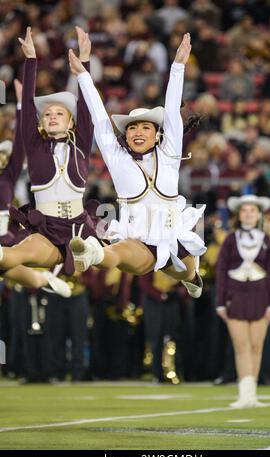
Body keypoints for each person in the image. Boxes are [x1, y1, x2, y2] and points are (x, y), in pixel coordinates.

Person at [67, 33, 206, 298]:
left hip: (173, 237)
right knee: (117, 254)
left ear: (157, 134)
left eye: (145, 127)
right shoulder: (117, 158)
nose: (138, 132)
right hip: (138, 238)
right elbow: (99, 118)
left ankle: (192, 278)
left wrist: (177, 67)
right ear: (126, 135)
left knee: (187, 271)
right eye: (132, 128)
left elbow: (173, 111)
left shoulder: (169, 153)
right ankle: (91, 252)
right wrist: (83, 75)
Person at [0, 26, 97, 280]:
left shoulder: (82, 144)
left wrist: (84, 63)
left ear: (71, 122)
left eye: (60, 113)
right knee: (14, 254)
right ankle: (42, 280)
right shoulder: (33, 145)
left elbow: (87, 110)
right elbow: (28, 110)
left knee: (103, 254)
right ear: (41, 122)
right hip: (46, 228)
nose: (53, 117)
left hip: (79, 227)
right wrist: (31, 60)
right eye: (48, 114)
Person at [0, 77, 70, 297]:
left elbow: (21, 143)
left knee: (13, 269)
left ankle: (42, 279)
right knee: (12, 272)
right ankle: (44, 279)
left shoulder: (7, 176)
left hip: (3, 239)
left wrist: (23, 106)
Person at [216, 195, 270, 408]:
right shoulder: (230, 239)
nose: (248, 213)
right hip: (236, 294)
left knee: (256, 346)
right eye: (244, 210)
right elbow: (221, 271)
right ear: (238, 215)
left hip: (260, 294)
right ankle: (244, 394)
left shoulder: (267, 240)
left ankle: (252, 395)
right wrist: (220, 303)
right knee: (241, 345)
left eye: (253, 210)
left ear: (259, 214)